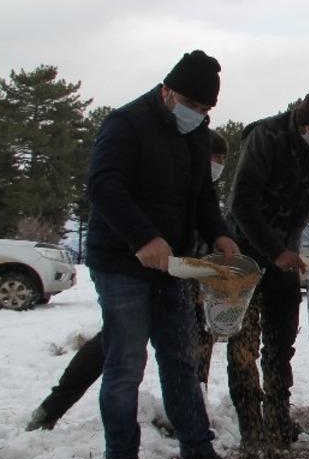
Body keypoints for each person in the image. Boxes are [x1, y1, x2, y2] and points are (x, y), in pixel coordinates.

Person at [85, 50, 240, 459]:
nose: (199, 114)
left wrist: (219, 234)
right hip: (121, 261)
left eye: (207, 109)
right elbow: (104, 186)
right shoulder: (126, 124)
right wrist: (142, 239)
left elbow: (202, 196)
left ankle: (197, 451)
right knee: (126, 363)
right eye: (193, 104)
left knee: (181, 359)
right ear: (168, 91)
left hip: (172, 266)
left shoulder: (196, 134)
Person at [27, 131, 231, 432]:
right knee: (112, 347)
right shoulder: (160, 184)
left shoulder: (203, 197)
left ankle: (189, 419)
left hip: (187, 288)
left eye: (222, 160)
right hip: (142, 278)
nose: (216, 165)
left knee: (191, 354)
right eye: (212, 158)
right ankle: (53, 407)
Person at [225, 87, 309, 454]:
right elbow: (241, 202)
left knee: (281, 342)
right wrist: (273, 250)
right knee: (243, 348)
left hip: (287, 257)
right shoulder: (266, 137)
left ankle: (278, 421)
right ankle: (251, 429)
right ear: (301, 118)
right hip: (244, 257)